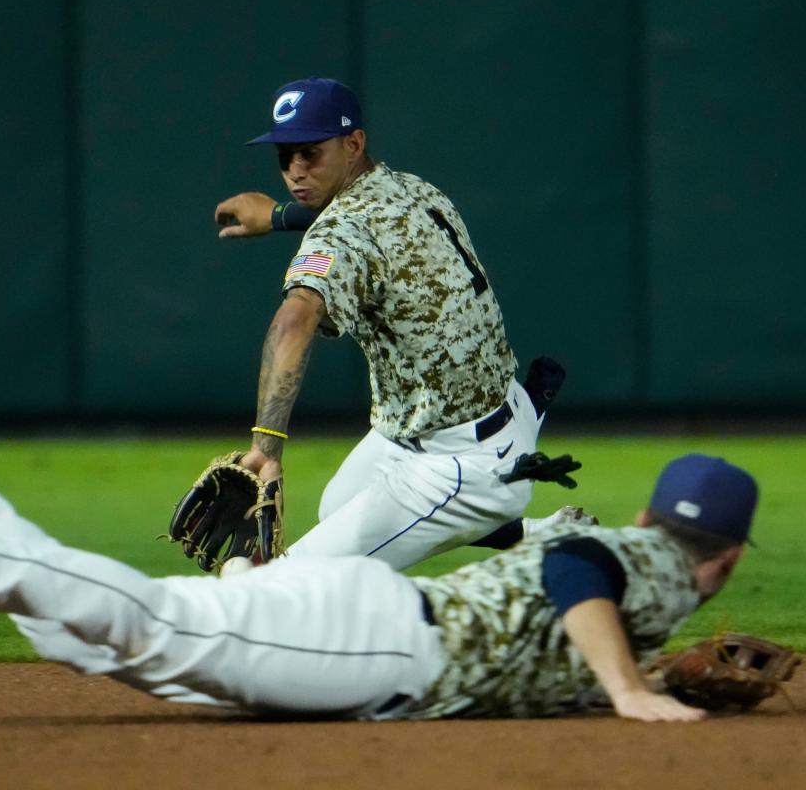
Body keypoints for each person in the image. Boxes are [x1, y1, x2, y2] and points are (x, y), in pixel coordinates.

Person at [0, 387, 757, 723]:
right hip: (386, 643)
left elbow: (549, 573)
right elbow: (575, 580)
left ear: (648, 504)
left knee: (98, 638)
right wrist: (631, 690)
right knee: (146, 621)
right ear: (729, 555)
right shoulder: (650, 561)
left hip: (366, 622)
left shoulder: (611, 535)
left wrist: (655, 674)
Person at [212, 77, 557, 568]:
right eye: (285, 156)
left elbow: (294, 322)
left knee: (275, 589)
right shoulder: (410, 188)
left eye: (310, 153)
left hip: (460, 463)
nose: (294, 171)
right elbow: (365, 225)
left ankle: (502, 521)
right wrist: (282, 216)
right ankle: (536, 536)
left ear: (353, 144)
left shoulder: (343, 231)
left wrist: (265, 447)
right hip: (482, 418)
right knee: (337, 508)